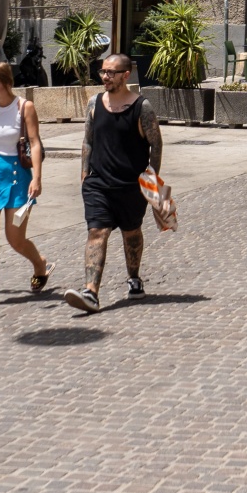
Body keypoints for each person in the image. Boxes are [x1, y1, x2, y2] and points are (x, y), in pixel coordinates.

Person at [64, 53, 162, 313]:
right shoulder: (94, 103)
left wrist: (152, 180)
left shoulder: (142, 107)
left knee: (131, 233)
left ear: (125, 75)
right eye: (103, 71)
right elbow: (87, 140)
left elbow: (156, 144)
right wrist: (84, 173)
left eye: (111, 72)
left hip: (131, 186)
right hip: (98, 184)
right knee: (97, 232)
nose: (105, 76)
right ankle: (91, 292)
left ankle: (134, 278)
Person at [0, 62, 50, 310]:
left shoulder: (24, 107)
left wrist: (37, 177)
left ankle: (40, 264)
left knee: (15, 239)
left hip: (18, 176)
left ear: (7, 83)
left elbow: (35, 143)